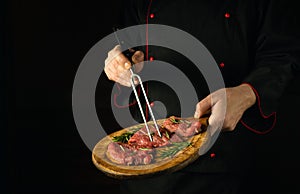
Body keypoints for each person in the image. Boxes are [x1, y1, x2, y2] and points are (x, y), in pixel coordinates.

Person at [103, 0, 300, 193]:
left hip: (229, 158)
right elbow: (127, 45)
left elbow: (282, 54)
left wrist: (247, 93)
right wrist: (120, 63)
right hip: (148, 164)